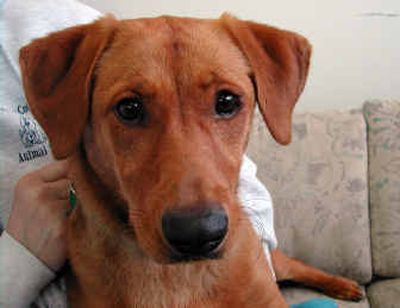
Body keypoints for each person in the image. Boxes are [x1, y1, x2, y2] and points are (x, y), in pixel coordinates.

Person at [0, 1, 278, 306]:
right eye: (131, 110)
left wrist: (255, 272)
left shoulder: (55, 22)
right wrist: (19, 257)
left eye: (225, 103)